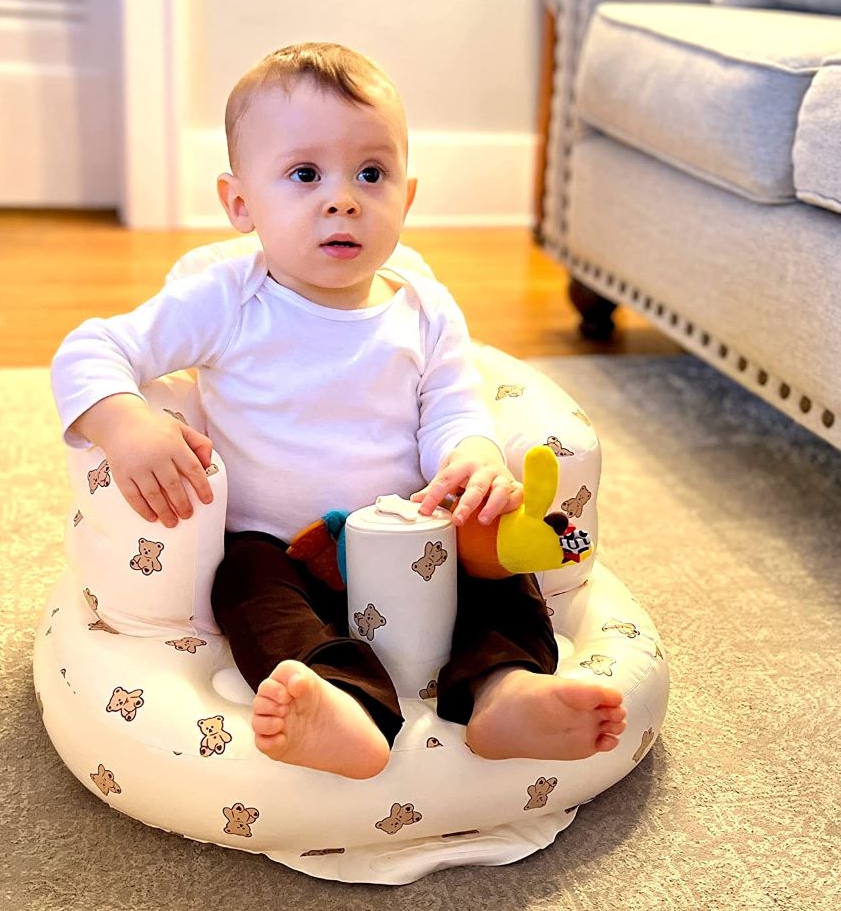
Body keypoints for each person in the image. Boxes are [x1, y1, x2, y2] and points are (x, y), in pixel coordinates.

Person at [51, 42, 626, 780]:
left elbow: (453, 406)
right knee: (247, 593)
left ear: (406, 198)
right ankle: (341, 704)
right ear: (240, 203)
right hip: (280, 545)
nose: (343, 198)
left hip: (416, 536)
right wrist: (122, 420)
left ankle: (504, 692)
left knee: (500, 580)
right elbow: (89, 348)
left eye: (371, 173)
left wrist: (472, 459)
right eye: (303, 175)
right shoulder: (228, 297)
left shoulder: (423, 307)